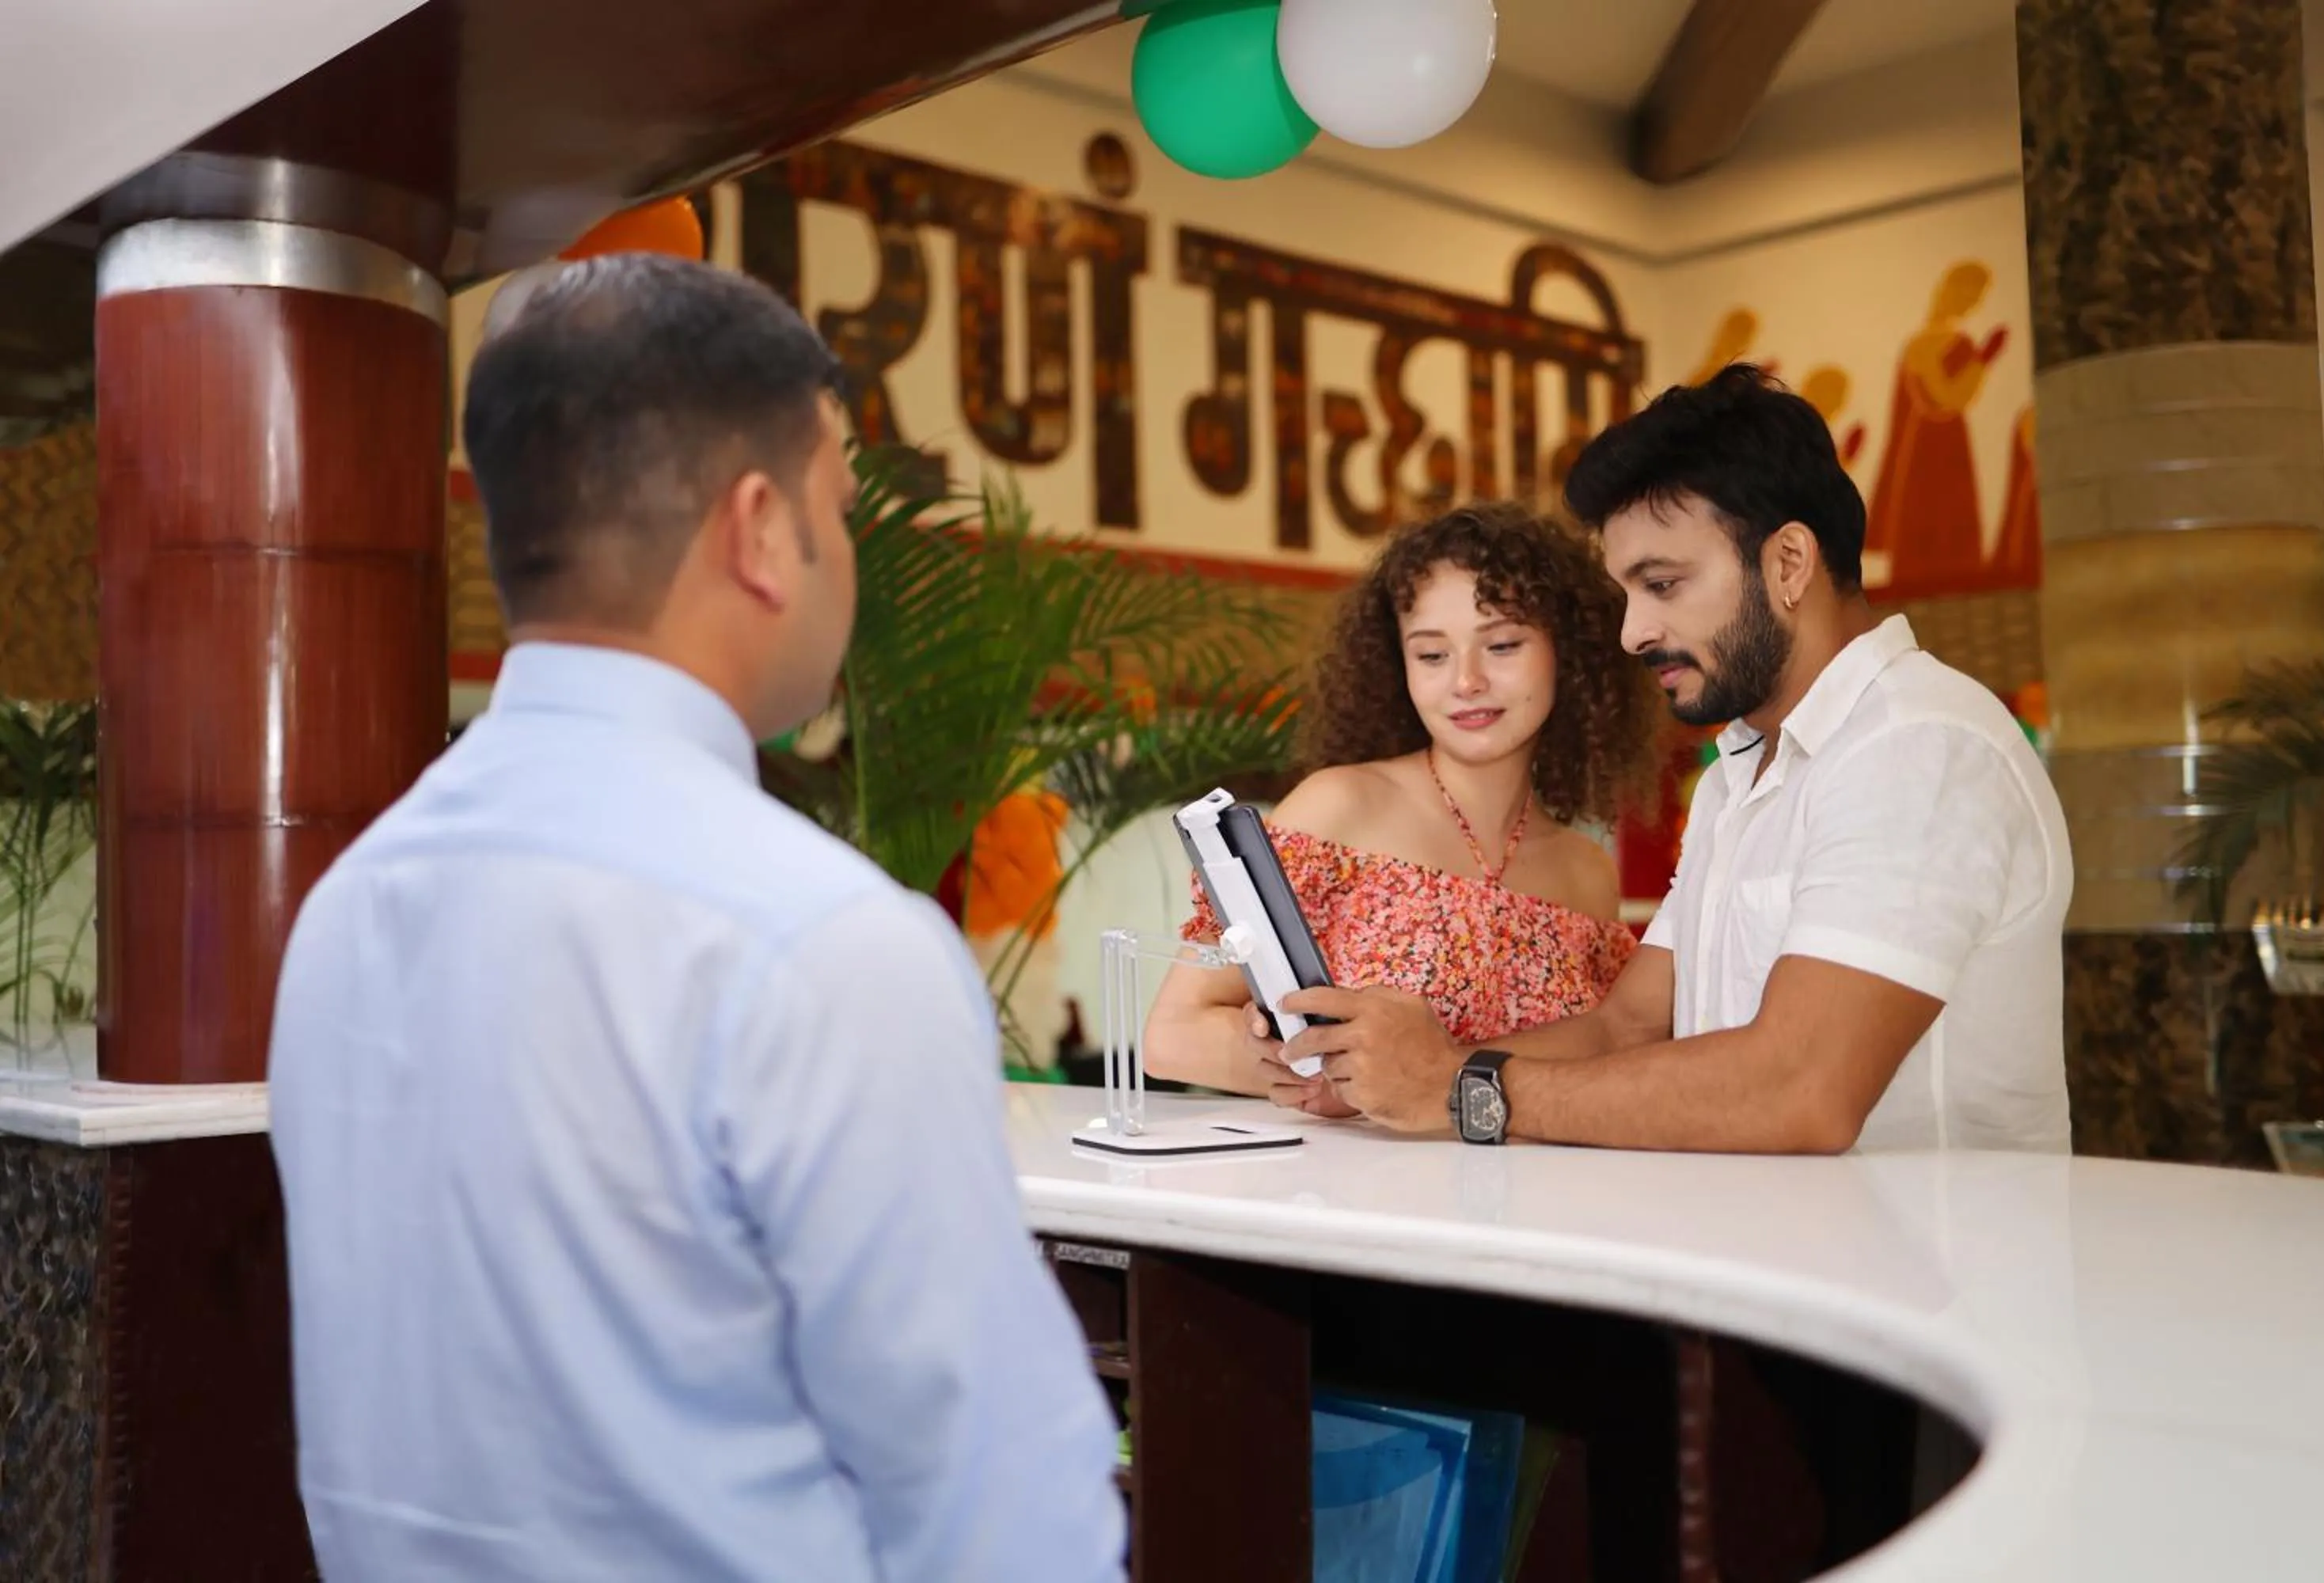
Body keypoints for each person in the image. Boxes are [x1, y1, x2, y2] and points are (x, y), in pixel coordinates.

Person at [268, 256, 1124, 1581]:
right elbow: (1006, 1515)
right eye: (838, 508)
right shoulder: (817, 944)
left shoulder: (347, 911)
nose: (845, 554)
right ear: (756, 531)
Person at [1280, 365, 2072, 1154]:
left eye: (1662, 583)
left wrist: (1459, 1087)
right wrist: (1402, 1073)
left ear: (1789, 563)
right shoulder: (1743, 772)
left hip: (1923, 1273)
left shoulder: (1915, 746)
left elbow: (1801, 1090)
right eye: (1628, 593)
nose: (1632, 632)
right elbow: (1626, 1024)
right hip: (1767, 1262)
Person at [1141, 503, 1658, 1116]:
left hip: (1525, 1204)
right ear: (1397, 667)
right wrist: (1301, 1070)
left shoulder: (1586, 872)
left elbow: (1599, 1058)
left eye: (1501, 645)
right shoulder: (1338, 809)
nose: (1466, 681)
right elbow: (1169, 1036)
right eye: (1432, 655)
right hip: (1349, 1200)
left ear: (1569, 655)